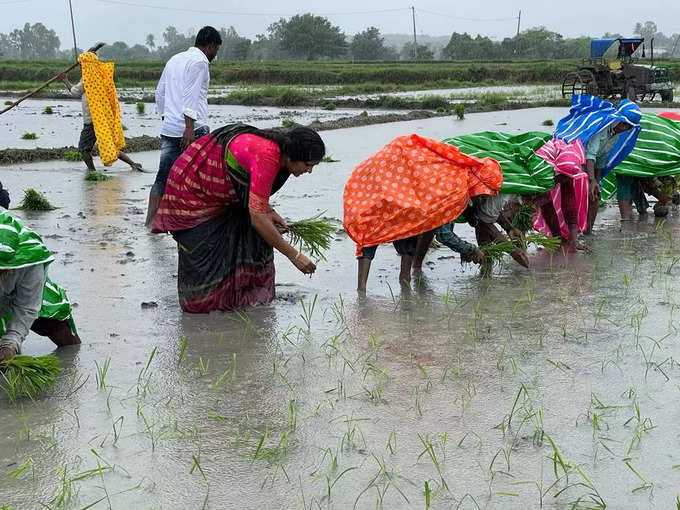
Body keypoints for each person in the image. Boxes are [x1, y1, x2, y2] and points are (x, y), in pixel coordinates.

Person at [152, 124, 325, 313]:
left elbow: (252, 189)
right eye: (308, 165)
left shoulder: (279, 154)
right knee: (206, 254)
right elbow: (258, 219)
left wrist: (269, 210)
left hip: (221, 194)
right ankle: (202, 314)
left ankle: (238, 304)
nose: (309, 171)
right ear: (292, 156)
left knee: (253, 240)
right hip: (192, 191)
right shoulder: (268, 156)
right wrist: (295, 256)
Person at [343, 134, 503, 292]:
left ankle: (375, 292)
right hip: (387, 182)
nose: (482, 199)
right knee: (376, 231)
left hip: (394, 180)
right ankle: (371, 292)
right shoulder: (456, 190)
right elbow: (444, 234)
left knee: (399, 229)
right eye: (483, 195)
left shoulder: (457, 170)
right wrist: (470, 250)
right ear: (478, 183)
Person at [145, 26, 222, 227]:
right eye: (216, 50)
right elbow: (191, 95)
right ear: (211, 45)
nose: (215, 55)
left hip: (170, 128)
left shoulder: (174, 59)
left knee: (163, 177)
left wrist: (166, 118)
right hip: (194, 130)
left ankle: (151, 223)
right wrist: (188, 127)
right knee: (202, 179)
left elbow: (159, 92)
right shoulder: (200, 62)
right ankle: (196, 222)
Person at [552, 95, 641, 230]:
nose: (623, 128)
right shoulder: (601, 127)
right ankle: (569, 232)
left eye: (628, 127)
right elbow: (590, 155)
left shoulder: (615, 136)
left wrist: (596, 181)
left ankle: (588, 231)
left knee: (595, 196)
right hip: (574, 160)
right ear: (617, 119)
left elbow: (601, 159)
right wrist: (591, 180)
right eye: (623, 124)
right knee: (577, 195)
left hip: (590, 166)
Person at [0, 211, 80, 362]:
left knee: (69, 347)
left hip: (26, 293)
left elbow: (27, 307)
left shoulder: (31, 256)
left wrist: (9, 345)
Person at [414, 194, 529, 272]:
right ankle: (412, 272)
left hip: (434, 206)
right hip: (419, 206)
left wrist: (508, 227)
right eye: (483, 198)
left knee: (431, 227)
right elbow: (444, 235)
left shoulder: (469, 199)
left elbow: (481, 216)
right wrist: (470, 249)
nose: (484, 201)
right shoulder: (453, 198)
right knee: (430, 228)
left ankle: (416, 269)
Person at [59, 70, 142, 173]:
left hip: (92, 120)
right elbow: (78, 89)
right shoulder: (100, 76)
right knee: (109, 145)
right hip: (103, 118)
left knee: (83, 148)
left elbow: (75, 92)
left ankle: (92, 171)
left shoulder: (88, 77)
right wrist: (66, 80)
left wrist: (65, 80)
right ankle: (133, 164)